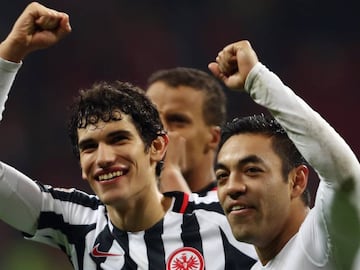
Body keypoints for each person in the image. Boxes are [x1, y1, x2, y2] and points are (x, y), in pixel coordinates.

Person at [0, 3, 257, 270]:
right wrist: (10, 52)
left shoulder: (226, 215)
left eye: (119, 139)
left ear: (157, 146)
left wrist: (260, 81)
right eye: (89, 147)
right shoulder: (78, 221)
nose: (104, 157)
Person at [208, 40, 360, 269]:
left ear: (296, 181)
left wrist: (257, 80)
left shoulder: (325, 239)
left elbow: (343, 173)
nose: (232, 187)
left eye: (251, 170)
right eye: (222, 176)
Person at [146, 67, 226, 196]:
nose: (159, 130)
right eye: (150, 118)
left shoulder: (232, 206)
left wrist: (170, 171)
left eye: (177, 120)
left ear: (213, 138)